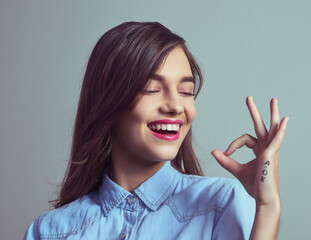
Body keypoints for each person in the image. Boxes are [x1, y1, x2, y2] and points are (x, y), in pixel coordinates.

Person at [23, 21, 289, 240]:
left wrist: (269, 207)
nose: (176, 106)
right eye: (152, 88)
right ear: (108, 100)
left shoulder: (221, 204)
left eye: (186, 91)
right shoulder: (49, 231)